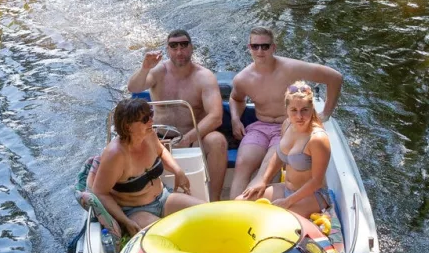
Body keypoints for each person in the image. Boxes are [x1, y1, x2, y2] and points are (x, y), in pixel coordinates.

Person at [229, 29, 343, 196]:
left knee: (266, 169)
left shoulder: (292, 68)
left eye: (265, 46)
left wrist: (326, 113)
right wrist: (235, 119)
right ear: (249, 47)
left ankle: (253, 207)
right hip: (259, 127)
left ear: (273, 47)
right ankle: (232, 211)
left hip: (288, 126)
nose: (260, 51)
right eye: (255, 46)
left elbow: (335, 77)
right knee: (242, 163)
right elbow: (235, 99)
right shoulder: (242, 78)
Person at [127, 31, 231, 201]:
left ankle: (214, 199)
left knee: (218, 141)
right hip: (159, 137)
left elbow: (215, 116)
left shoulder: (204, 76)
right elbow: (134, 88)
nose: (179, 51)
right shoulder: (158, 71)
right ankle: (144, 199)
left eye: (184, 45)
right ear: (168, 50)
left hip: (194, 136)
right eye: (174, 46)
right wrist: (145, 68)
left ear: (191, 48)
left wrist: (188, 138)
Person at [88, 97, 198, 236]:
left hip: (163, 197)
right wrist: (125, 221)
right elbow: (100, 192)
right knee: (173, 235)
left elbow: (161, 151)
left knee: (205, 212)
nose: (151, 121)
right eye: (145, 119)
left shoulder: (150, 134)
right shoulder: (115, 155)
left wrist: (178, 171)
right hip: (135, 211)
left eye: (150, 115)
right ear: (128, 126)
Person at [240, 81, 331, 217]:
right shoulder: (287, 125)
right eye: (294, 110)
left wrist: (288, 202)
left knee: (269, 219)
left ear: (312, 108)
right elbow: (278, 155)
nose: (299, 116)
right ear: (287, 109)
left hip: (312, 196)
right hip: (287, 189)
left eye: (304, 110)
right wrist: (263, 180)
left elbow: (316, 182)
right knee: (240, 203)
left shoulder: (317, 139)